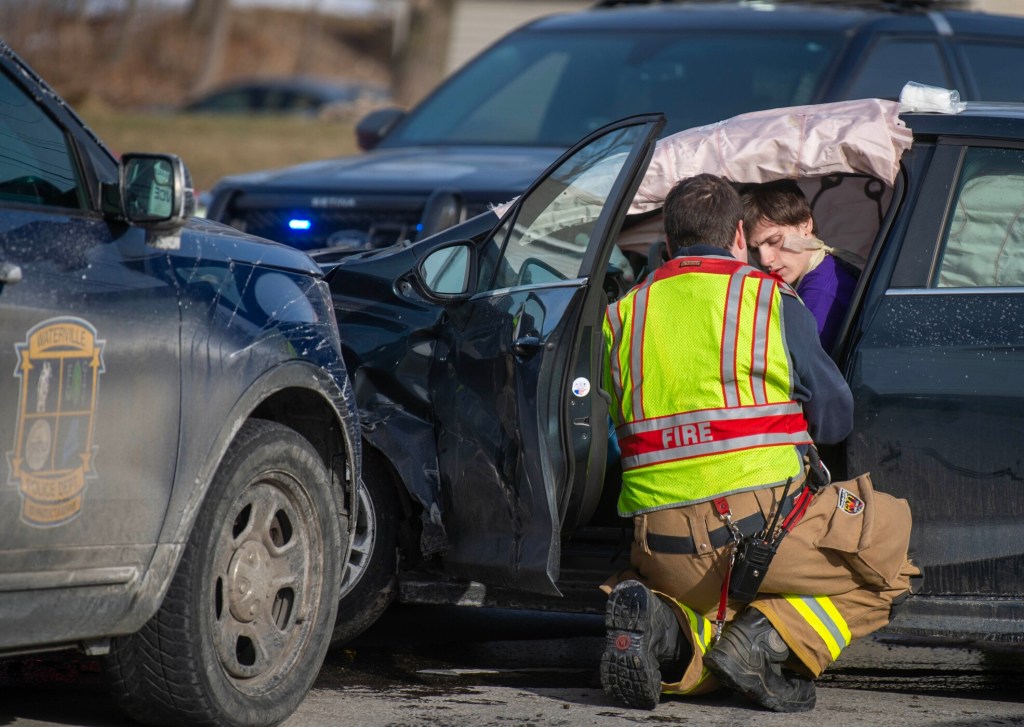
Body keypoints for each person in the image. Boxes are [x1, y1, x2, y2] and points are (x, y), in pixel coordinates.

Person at [599, 174, 917, 713]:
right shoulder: (769, 299)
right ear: (739, 238)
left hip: (659, 548)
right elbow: (835, 419)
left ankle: (666, 629)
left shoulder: (622, 315)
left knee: (711, 615)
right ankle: (766, 638)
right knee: (893, 564)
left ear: (669, 245)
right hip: (760, 535)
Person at [741, 180, 860, 352]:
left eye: (774, 240)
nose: (765, 259)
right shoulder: (828, 268)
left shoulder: (819, 294)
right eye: (754, 249)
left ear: (805, 224)